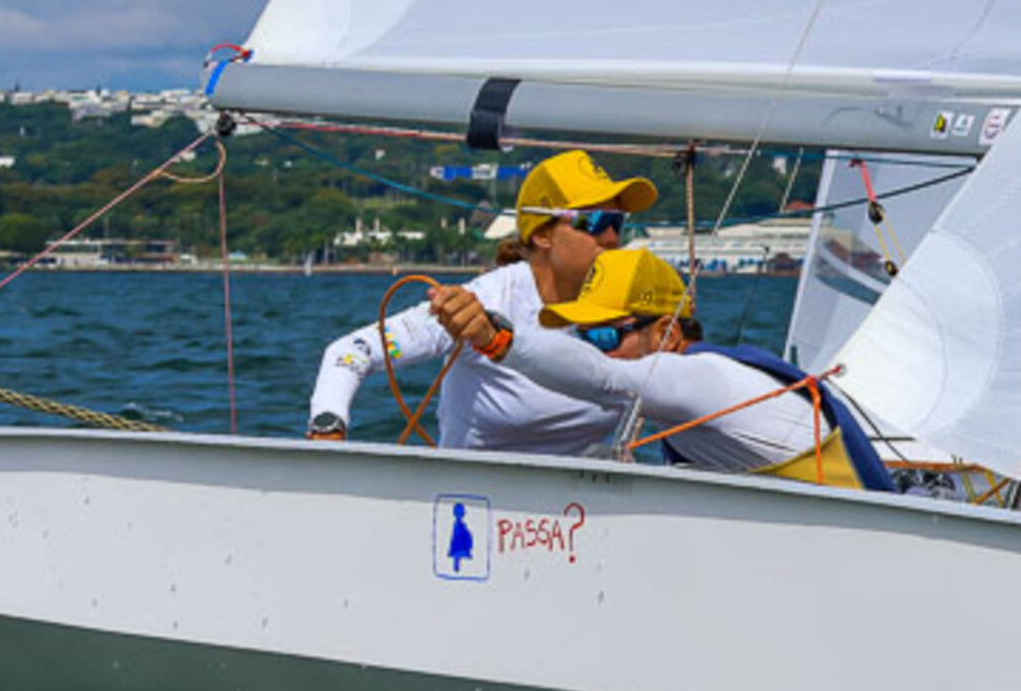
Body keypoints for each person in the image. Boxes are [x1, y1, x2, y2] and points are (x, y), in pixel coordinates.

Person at [426, 248, 890, 490]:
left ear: (666, 332)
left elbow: (602, 378)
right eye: (582, 338)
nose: (597, 352)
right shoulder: (686, 400)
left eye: (606, 337)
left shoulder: (703, 379)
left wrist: (495, 338)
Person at [305, 150, 658, 453]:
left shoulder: (636, 309)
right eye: (594, 222)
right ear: (542, 235)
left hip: (582, 502)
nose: (611, 237)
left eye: (618, 222)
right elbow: (352, 352)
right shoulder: (484, 302)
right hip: (474, 499)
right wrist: (328, 430)